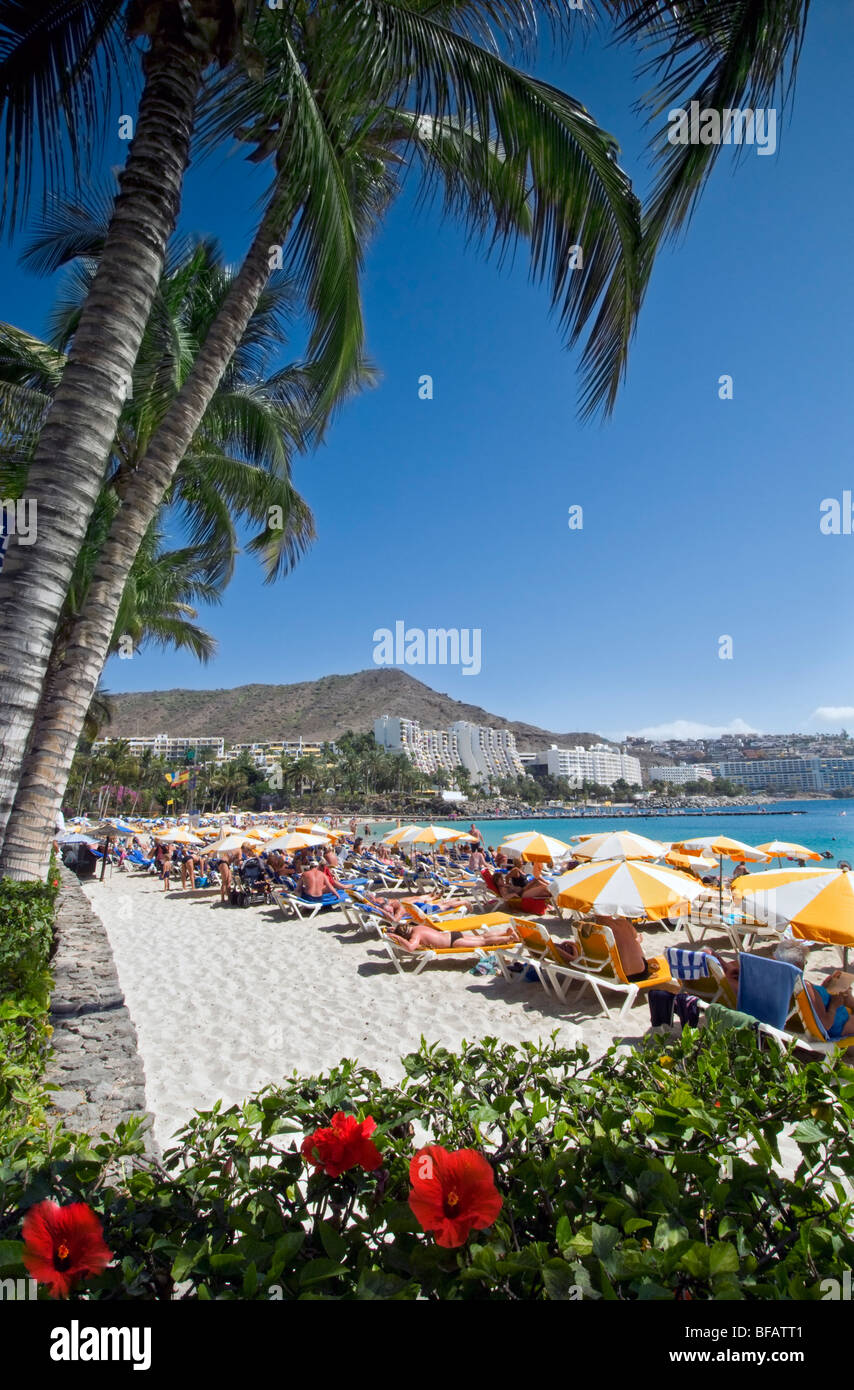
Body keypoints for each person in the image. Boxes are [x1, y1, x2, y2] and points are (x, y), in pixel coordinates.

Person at [386, 918, 520, 954]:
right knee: (482, 937)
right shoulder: (416, 926)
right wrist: (393, 929)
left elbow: (410, 947)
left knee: (483, 942)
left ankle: (509, 938)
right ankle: (505, 933)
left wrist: (397, 937)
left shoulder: (415, 935)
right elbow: (400, 926)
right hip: (452, 934)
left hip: (453, 943)